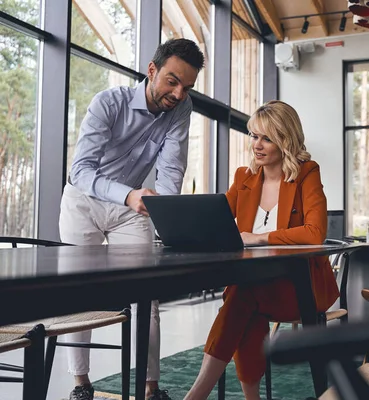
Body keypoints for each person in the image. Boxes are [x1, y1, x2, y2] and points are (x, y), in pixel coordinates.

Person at [59, 38, 204, 400]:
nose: (178, 92)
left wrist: (172, 223)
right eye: (172, 81)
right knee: (80, 293)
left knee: (146, 293)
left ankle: (150, 388)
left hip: (132, 208)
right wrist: (127, 194)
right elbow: (80, 171)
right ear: (152, 70)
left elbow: (171, 172)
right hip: (85, 203)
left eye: (186, 86)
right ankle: (81, 385)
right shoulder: (108, 103)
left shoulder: (181, 108)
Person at [184, 100, 340, 400]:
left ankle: (196, 396)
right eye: (254, 135)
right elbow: (214, 218)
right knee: (245, 302)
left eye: (266, 138)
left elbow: (315, 232)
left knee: (242, 296)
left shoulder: (306, 173)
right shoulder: (244, 177)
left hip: (300, 287)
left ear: (285, 139)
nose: (257, 144)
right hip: (254, 284)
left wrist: (260, 238)